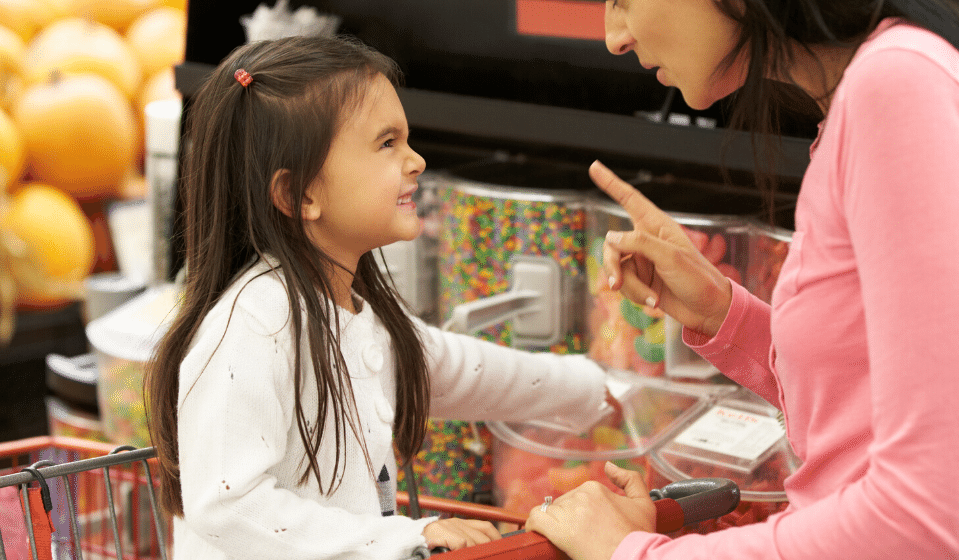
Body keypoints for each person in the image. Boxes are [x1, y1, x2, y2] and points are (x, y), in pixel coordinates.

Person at [525, 0, 959, 559]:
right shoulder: (900, 75)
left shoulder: (902, 87)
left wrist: (632, 553)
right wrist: (722, 314)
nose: (615, 36)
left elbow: (915, 522)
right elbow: (864, 414)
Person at [144, 35, 610, 560]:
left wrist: (598, 391)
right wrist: (404, 537)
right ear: (300, 195)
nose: (415, 160)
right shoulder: (254, 321)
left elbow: (461, 369)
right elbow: (227, 506)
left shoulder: (352, 311)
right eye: (387, 143)